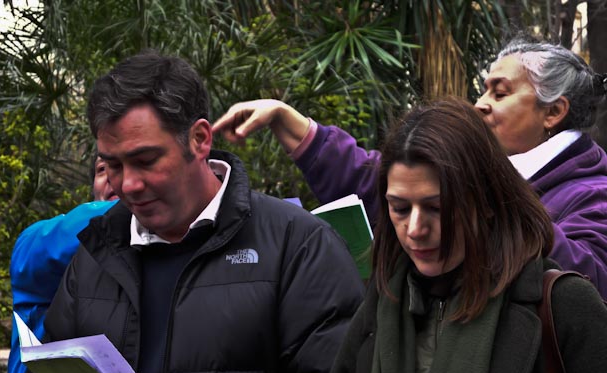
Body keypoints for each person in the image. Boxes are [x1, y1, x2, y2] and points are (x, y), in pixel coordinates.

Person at [22, 51, 364, 373]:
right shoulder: (96, 251)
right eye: (112, 165)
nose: (128, 184)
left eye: (146, 160)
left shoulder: (299, 243)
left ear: (200, 139)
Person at [289, 97, 607, 373]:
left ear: (487, 202)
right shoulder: (382, 302)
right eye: (399, 208)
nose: (415, 229)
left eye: (437, 208)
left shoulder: (560, 302)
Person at [213, 39, 607, 299]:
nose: (481, 103)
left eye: (500, 93)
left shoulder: (592, 192)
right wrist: (288, 121)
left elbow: (590, 277)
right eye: (483, 89)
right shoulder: (490, 172)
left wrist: (493, 193)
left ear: (554, 111)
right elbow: (377, 180)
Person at [0, 157, 118, 373]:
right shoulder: (38, 244)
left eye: (139, 162)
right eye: (103, 168)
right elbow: (57, 243)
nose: (114, 177)